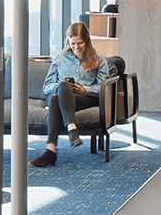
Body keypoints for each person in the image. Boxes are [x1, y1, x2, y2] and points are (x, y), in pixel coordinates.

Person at [29, 22, 106, 167]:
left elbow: (104, 87)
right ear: (68, 42)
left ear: (87, 41)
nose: (76, 47)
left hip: (84, 99)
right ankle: (71, 129)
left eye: (80, 43)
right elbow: (47, 86)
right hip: (60, 97)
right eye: (73, 44)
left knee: (55, 99)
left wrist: (86, 90)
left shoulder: (99, 59)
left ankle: (51, 151)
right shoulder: (60, 58)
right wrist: (61, 87)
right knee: (60, 89)